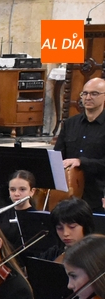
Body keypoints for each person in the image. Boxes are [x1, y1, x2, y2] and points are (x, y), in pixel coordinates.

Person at [55, 77, 105, 213]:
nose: (88, 97)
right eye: (85, 93)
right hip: (68, 194)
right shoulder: (70, 123)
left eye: (94, 93)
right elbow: (58, 155)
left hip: (97, 194)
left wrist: (81, 162)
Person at [0, 170, 37, 251]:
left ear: (32, 192)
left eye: (22, 189)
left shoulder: (37, 217)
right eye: (13, 189)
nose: (16, 194)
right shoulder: (3, 213)